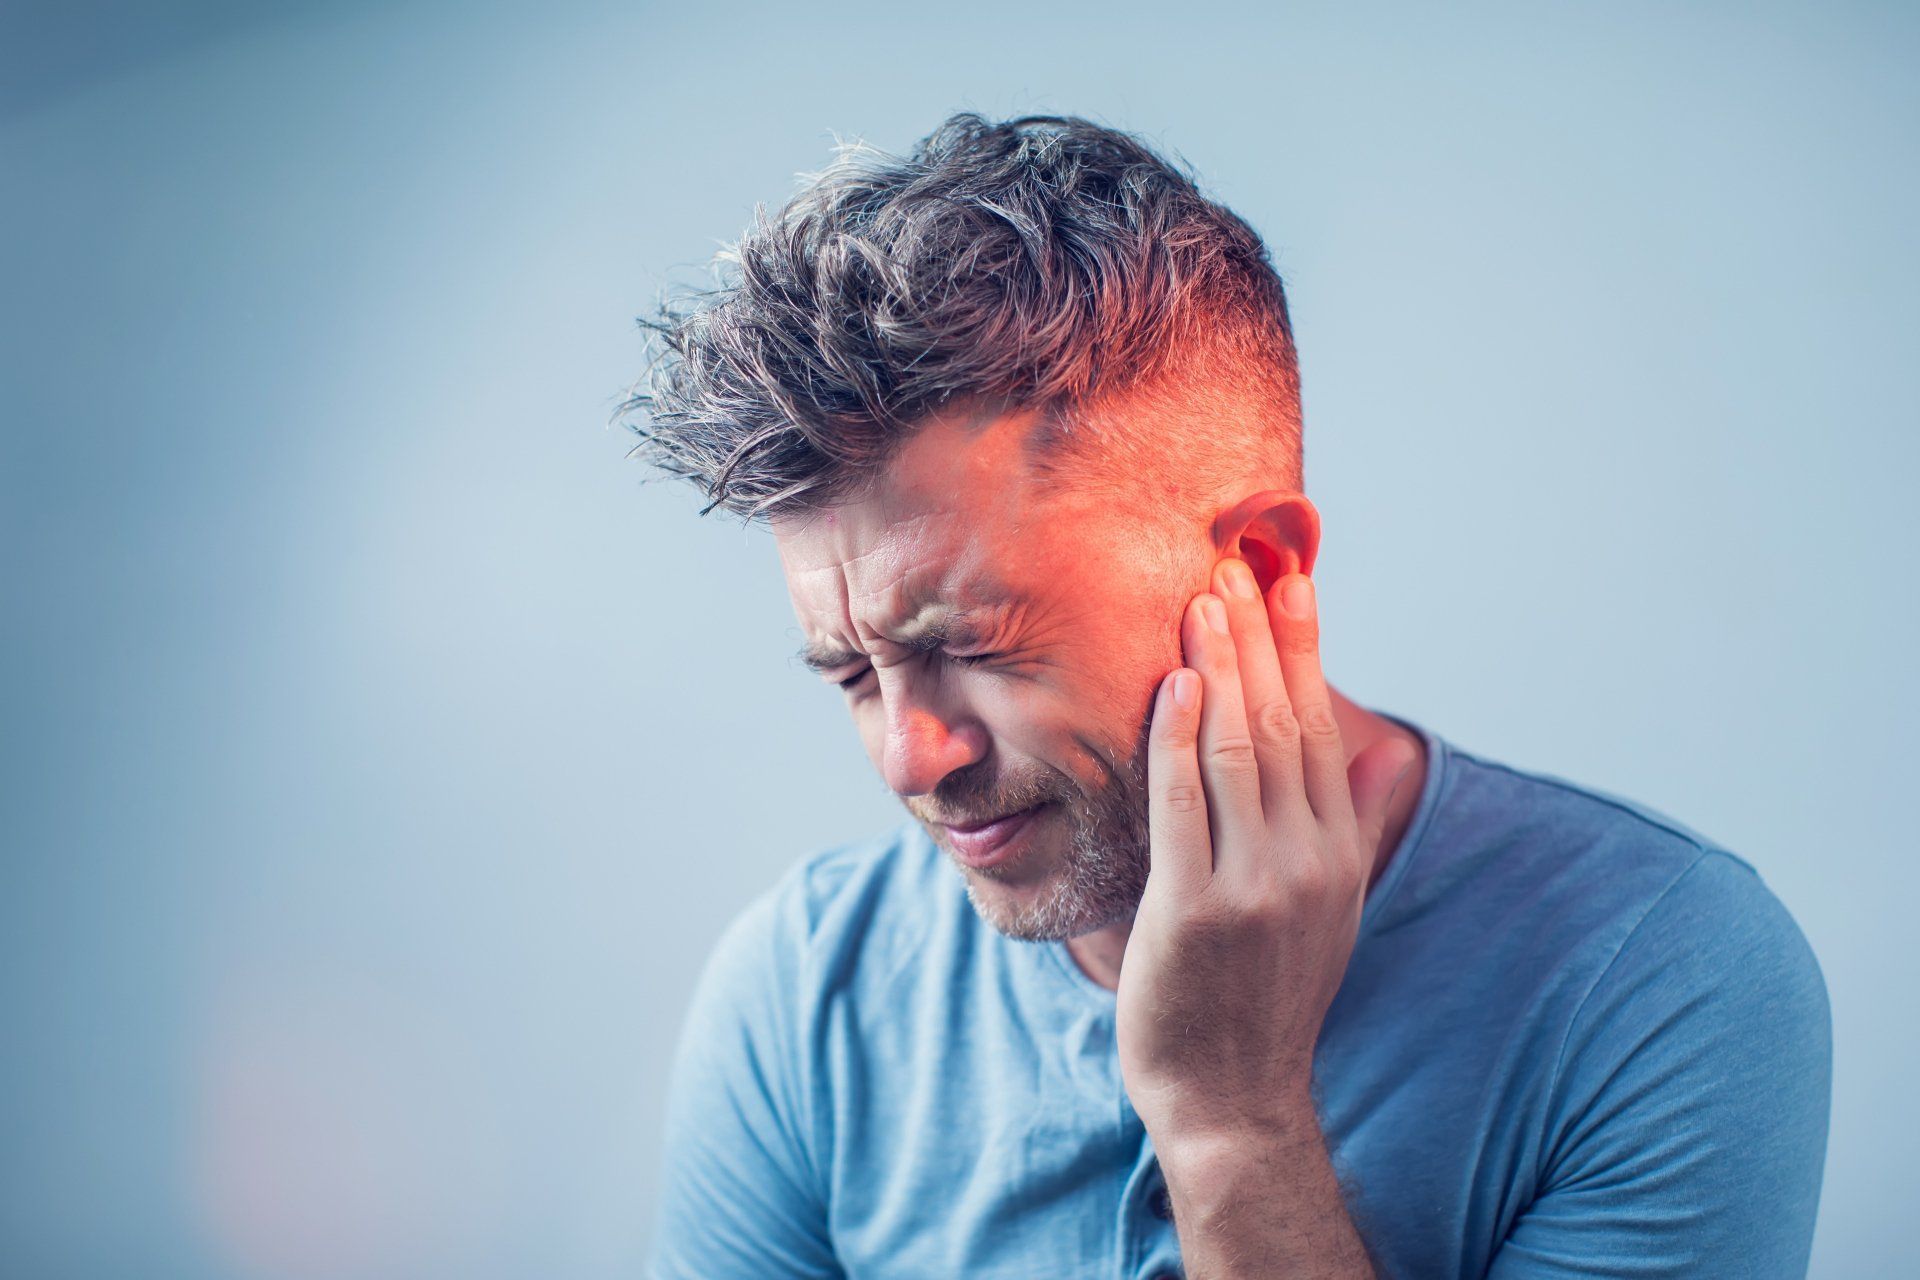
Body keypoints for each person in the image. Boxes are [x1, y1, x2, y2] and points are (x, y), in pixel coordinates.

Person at [622, 112, 1831, 1279]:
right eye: (849, 671)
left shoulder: (1660, 980)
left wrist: (1232, 1125)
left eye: (976, 644)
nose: (908, 755)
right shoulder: (803, 992)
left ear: (1253, 568)